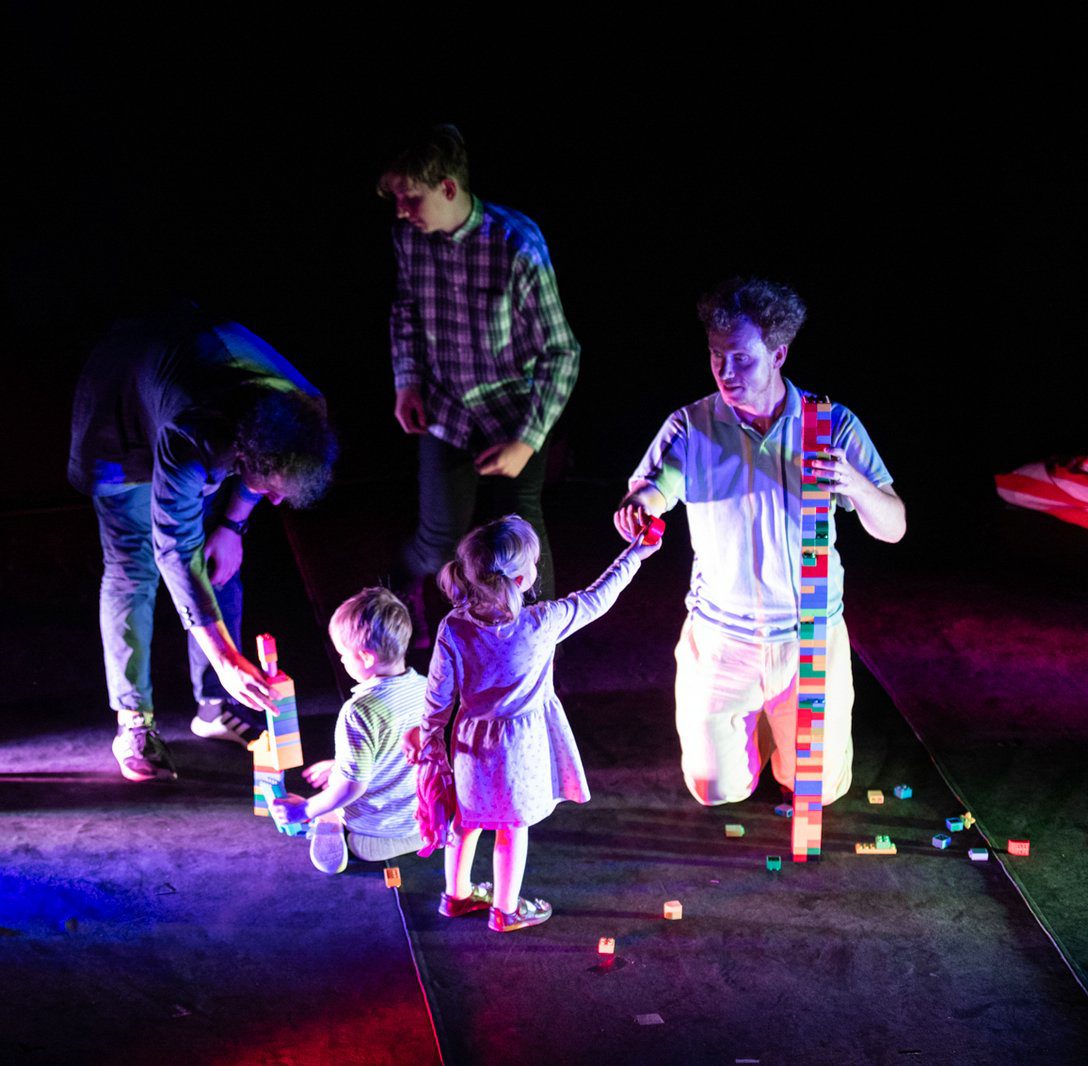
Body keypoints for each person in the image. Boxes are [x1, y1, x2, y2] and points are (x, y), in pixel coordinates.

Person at [613, 277, 906, 808]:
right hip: (723, 638)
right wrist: (640, 508)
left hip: (809, 637)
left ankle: (783, 728)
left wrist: (855, 485)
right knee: (715, 790)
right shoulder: (692, 425)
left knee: (817, 790)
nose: (726, 372)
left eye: (742, 359)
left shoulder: (830, 424)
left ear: (778, 354)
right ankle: (762, 727)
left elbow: (893, 526)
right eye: (716, 357)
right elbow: (653, 490)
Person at [67, 303, 337, 782]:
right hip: (118, 411)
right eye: (271, 488)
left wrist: (232, 526)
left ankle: (214, 708)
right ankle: (134, 721)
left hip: (202, 390)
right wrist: (228, 659)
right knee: (135, 567)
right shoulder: (193, 435)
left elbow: (257, 487)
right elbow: (173, 549)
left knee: (218, 558)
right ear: (243, 455)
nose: (276, 500)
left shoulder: (304, 412)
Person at [378, 125, 581, 624]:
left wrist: (527, 441)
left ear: (448, 187)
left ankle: (539, 642)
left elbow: (561, 352)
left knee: (521, 536)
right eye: (397, 200)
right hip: (447, 409)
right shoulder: (409, 238)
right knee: (437, 543)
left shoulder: (517, 244)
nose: (401, 211)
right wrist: (407, 381)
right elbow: (406, 311)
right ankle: (393, 619)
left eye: (411, 198)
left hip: (514, 412)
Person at [419, 515, 658, 932]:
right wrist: (635, 554)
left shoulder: (453, 627)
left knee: (466, 821)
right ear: (519, 578)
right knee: (513, 828)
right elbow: (599, 597)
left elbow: (437, 697)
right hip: (520, 746)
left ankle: (456, 896)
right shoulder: (541, 622)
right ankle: (506, 910)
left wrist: (430, 743)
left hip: (470, 742)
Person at [270, 588, 428, 874]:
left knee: (336, 797)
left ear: (366, 658)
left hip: (374, 831)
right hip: (424, 821)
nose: (341, 661)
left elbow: (351, 788)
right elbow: (397, 751)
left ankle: (344, 830)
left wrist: (304, 809)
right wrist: (341, 764)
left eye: (343, 654)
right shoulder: (425, 689)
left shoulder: (360, 711)